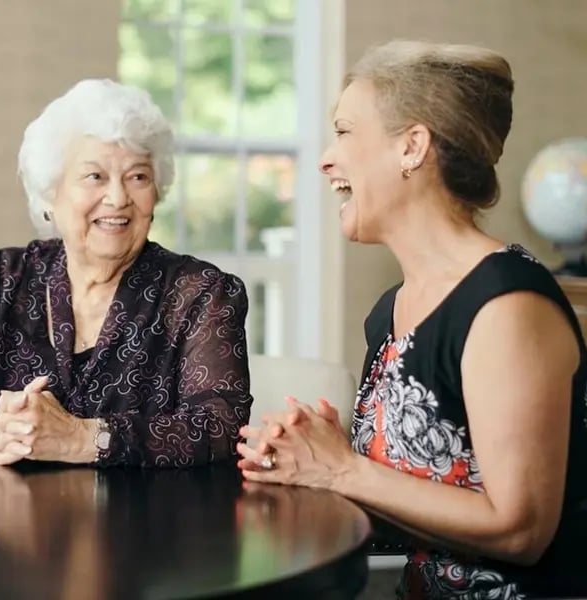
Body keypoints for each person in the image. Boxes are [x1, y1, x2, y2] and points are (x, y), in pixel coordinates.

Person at [237, 40, 587, 598]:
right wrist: (310, 466)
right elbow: (418, 505)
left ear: (412, 147)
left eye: (346, 131)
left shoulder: (506, 306)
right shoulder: (391, 310)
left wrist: (345, 470)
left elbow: (521, 529)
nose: (327, 157)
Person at [0, 79, 252, 468]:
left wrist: (80, 438)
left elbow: (221, 427)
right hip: (3, 519)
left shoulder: (200, 293)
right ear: (49, 193)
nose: (119, 198)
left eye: (138, 177)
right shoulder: (0, 278)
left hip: (144, 524)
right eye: (95, 176)